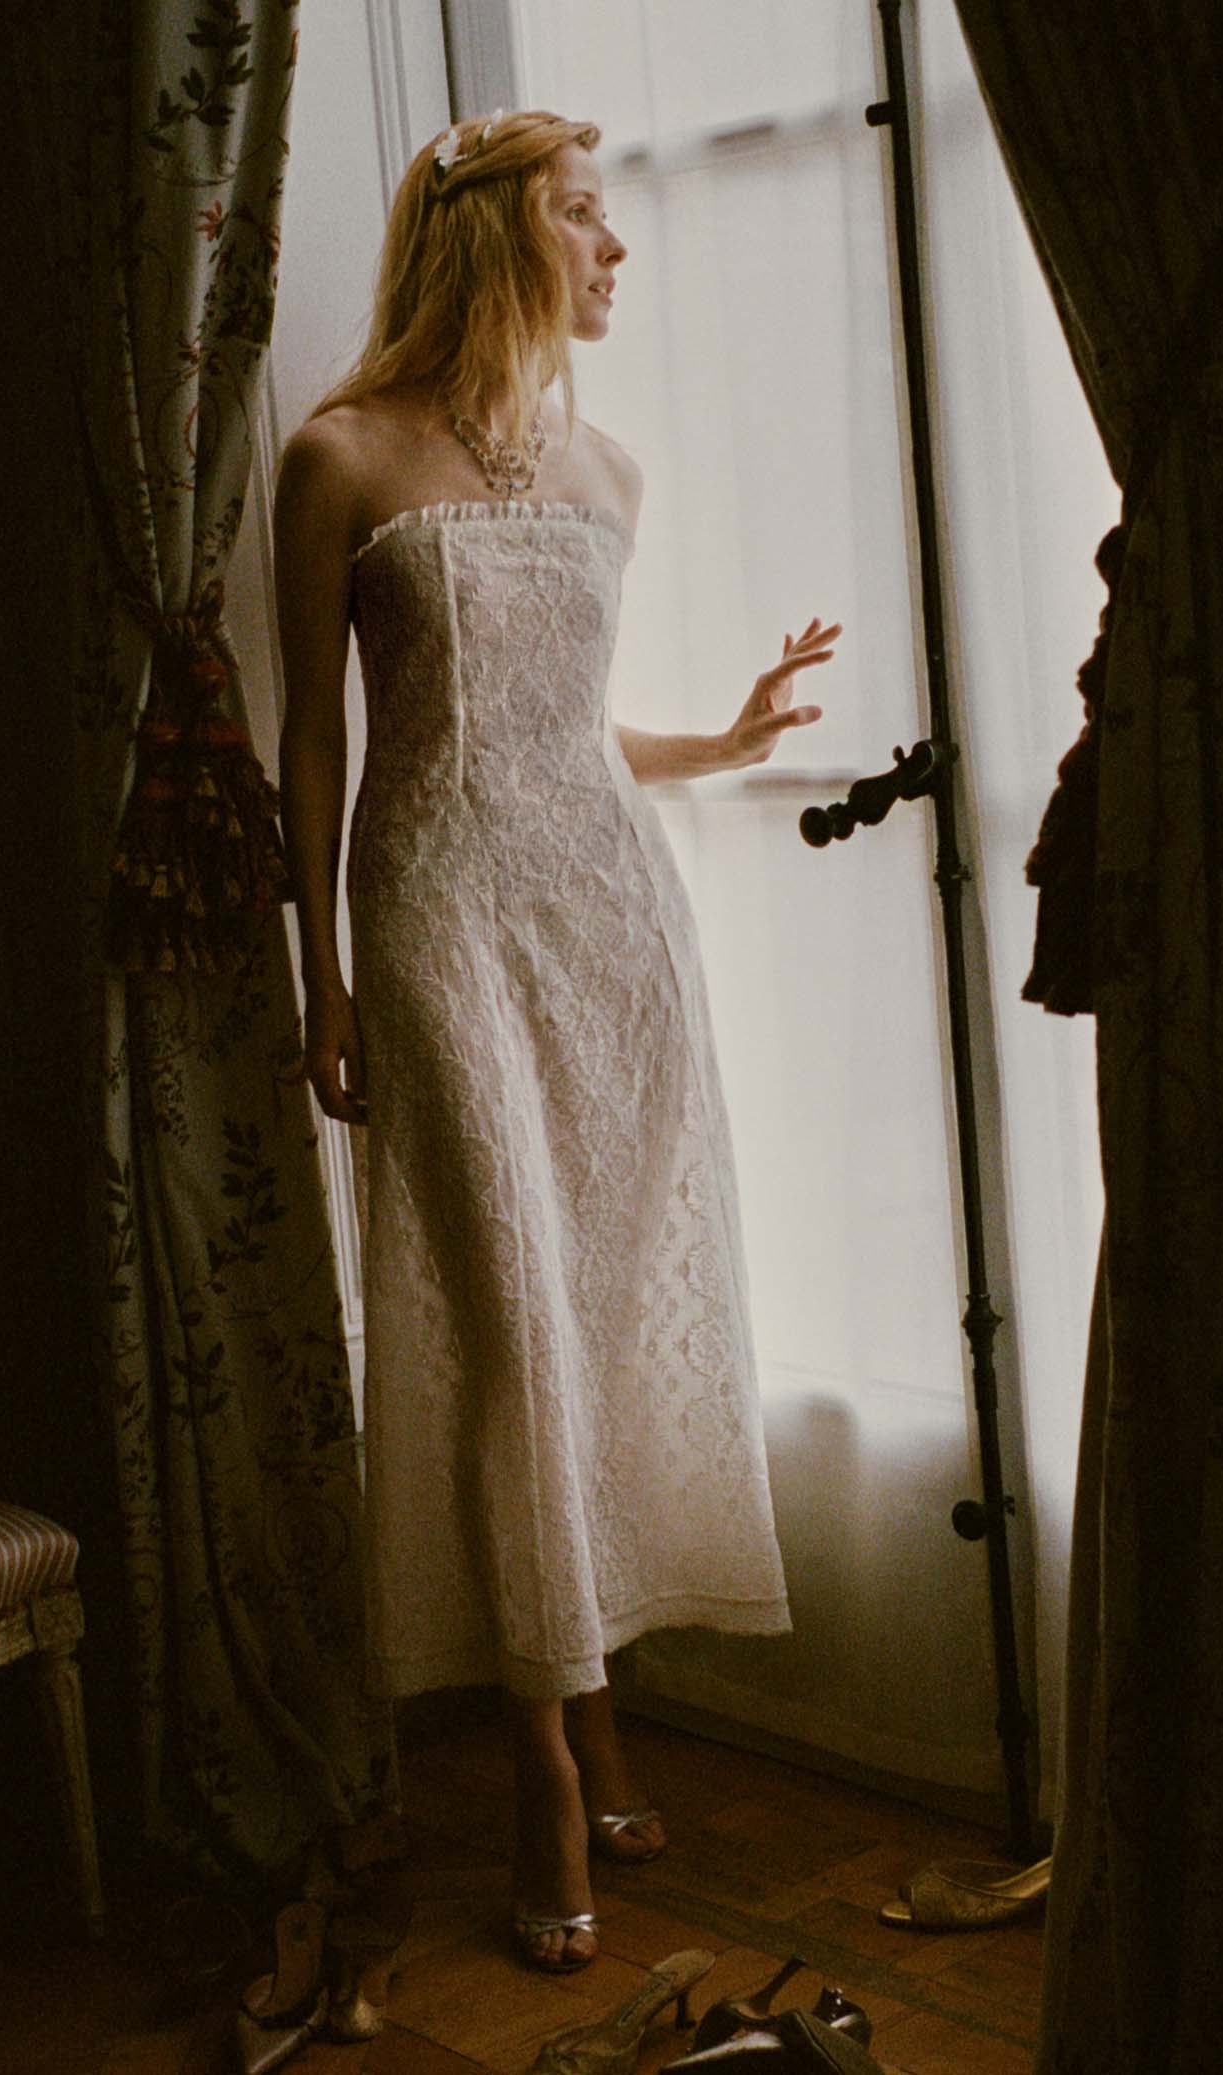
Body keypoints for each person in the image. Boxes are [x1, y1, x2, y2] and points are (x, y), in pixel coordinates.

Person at [273, 109, 839, 1976]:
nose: (617, 250)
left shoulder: (608, 473)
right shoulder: (339, 456)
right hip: (435, 917)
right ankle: (533, 1754)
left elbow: (568, 730)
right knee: (509, 1326)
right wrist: (325, 983)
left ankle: (595, 1705)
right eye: (587, 219)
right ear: (499, 237)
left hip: (609, 921)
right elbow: (319, 748)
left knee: (591, 1327)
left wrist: (728, 744)